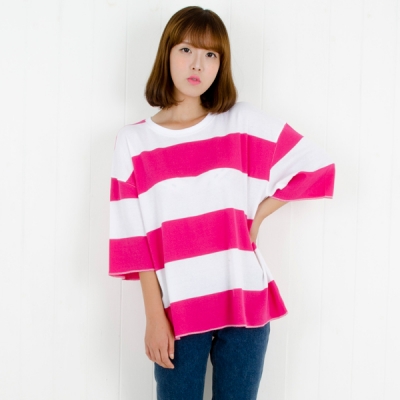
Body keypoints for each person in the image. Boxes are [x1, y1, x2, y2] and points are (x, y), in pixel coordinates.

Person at [108, 6, 335, 400]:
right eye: (186, 50)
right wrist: (154, 317)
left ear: (221, 64)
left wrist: (258, 216)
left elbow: (316, 165)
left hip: (244, 301)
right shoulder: (135, 142)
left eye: (211, 54)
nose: (198, 64)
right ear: (167, 54)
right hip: (178, 309)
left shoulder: (240, 123)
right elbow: (134, 238)